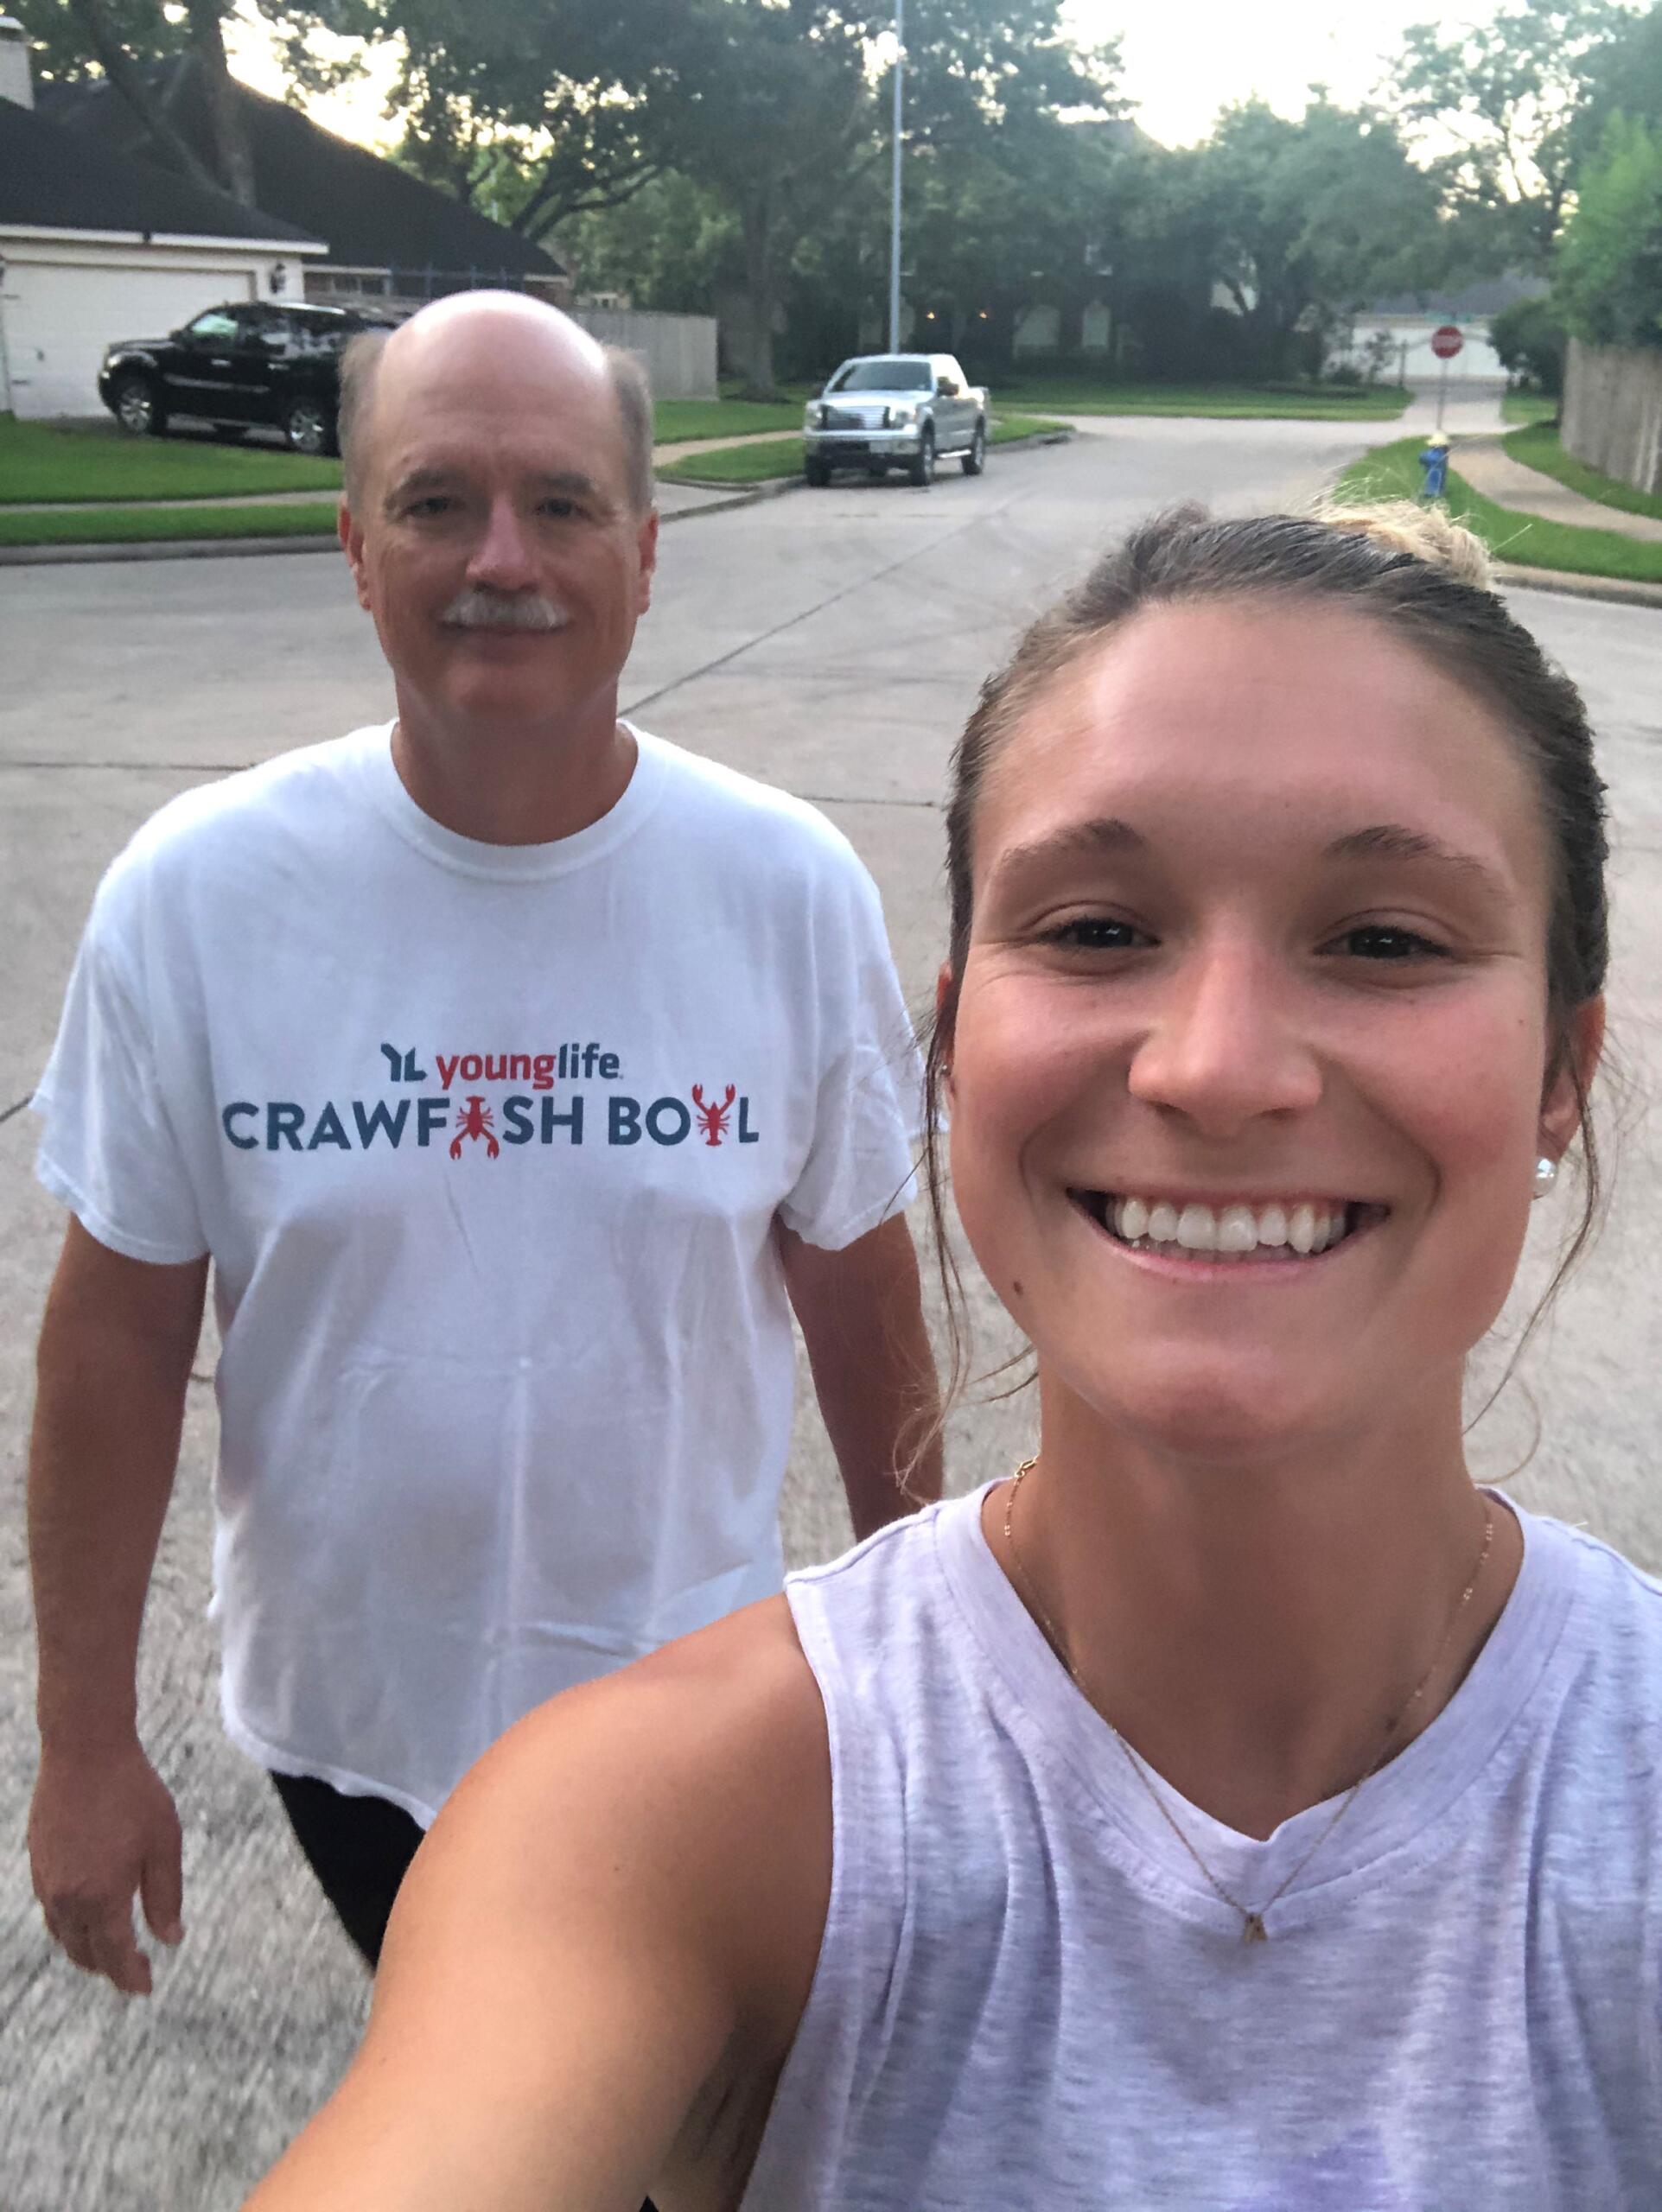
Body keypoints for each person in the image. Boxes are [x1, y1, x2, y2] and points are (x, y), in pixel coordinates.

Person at [245, 495, 1662, 2211]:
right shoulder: (666, 1819)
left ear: (1558, 1070)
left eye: (1384, 940)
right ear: (950, 1045)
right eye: (1097, 930)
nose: (1216, 1067)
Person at [26, 291, 941, 1998]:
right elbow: (114, 1341)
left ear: (644, 554)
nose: (499, 558)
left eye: (561, 503)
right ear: (356, 549)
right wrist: (82, 1739)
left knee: (659, 2103)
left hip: (686, 1709)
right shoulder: (197, 894)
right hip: (350, 1725)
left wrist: (926, 1674)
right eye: (436, 501)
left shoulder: (784, 889)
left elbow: (862, 1305)